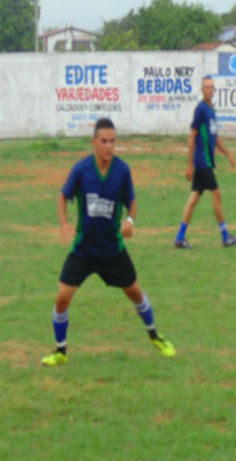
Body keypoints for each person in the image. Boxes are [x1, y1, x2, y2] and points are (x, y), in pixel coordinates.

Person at [41, 118, 176, 366]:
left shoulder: (122, 171)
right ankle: (60, 352)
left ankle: (155, 336)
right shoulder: (82, 170)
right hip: (83, 249)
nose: (109, 146)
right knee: (61, 299)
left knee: (135, 293)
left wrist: (130, 222)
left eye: (113, 141)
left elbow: (132, 203)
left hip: (112, 249)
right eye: (104, 141)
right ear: (94, 142)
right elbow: (63, 196)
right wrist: (64, 224)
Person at [174, 75, 236, 249]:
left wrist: (228, 154)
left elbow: (215, 137)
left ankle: (180, 237)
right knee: (216, 194)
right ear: (202, 90)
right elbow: (192, 136)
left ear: (214, 90)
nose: (210, 90)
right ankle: (225, 236)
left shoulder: (211, 110)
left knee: (194, 197)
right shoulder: (201, 110)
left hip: (207, 162)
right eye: (206, 87)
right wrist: (190, 164)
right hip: (202, 162)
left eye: (212, 87)